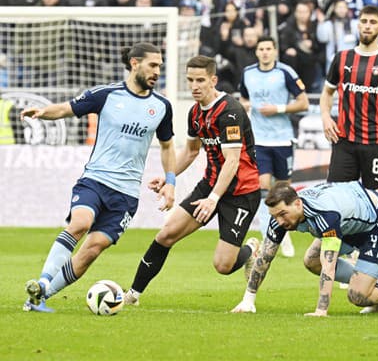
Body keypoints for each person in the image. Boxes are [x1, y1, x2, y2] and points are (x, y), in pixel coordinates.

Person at [21, 42, 176, 312]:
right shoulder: (106, 95)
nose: (157, 71)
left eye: (160, 66)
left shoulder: (162, 106)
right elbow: (67, 108)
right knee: (81, 223)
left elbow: (167, 146)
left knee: (92, 250)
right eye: (153, 65)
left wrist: (171, 182)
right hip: (96, 179)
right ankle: (44, 280)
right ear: (134, 63)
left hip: (126, 195)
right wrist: (42, 112)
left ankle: (41, 296)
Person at [124, 55, 261, 306]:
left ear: (213, 80)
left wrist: (213, 199)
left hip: (241, 191)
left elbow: (232, 161)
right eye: (190, 80)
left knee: (222, 265)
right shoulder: (195, 113)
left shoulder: (230, 111)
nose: (195, 86)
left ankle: (251, 249)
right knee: (166, 234)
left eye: (200, 80)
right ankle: (133, 295)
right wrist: (169, 178)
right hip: (210, 185)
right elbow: (190, 152)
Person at [231, 181, 378, 316]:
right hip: (348, 223)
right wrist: (248, 300)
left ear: (297, 204)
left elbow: (329, 265)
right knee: (311, 261)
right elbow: (265, 256)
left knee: (358, 296)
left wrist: (321, 310)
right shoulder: (282, 217)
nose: (280, 221)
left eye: (283, 214)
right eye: (275, 216)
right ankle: (365, 283)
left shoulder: (325, 215)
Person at [320, 5, 378, 191]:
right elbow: (327, 93)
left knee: (376, 201)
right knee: (336, 198)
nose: (367, 26)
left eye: (373, 22)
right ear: (358, 25)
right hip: (344, 142)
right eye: (364, 21)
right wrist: (325, 116)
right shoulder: (342, 58)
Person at [238, 36, 309, 258]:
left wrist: (278, 108)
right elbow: (243, 98)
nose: (265, 52)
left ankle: (284, 227)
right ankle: (271, 235)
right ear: (257, 52)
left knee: (283, 189)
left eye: (269, 48)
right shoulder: (248, 73)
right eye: (261, 49)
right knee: (262, 185)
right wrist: (246, 106)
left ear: (275, 51)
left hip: (282, 138)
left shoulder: (285, 72)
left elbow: (304, 102)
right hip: (259, 139)